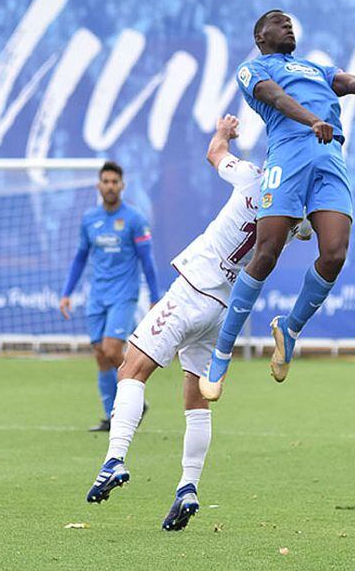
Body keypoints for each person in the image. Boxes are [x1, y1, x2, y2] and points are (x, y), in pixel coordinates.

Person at [86, 116, 310, 530]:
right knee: (196, 397)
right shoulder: (294, 211)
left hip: (193, 288)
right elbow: (310, 232)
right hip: (225, 307)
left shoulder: (252, 178)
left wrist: (225, 132)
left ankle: (114, 459)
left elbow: (214, 154)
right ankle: (187, 487)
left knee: (131, 369)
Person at [200, 9, 355, 401]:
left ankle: (290, 327)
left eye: (290, 21)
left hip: (329, 156)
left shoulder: (313, 68)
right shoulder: (252, 70)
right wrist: (311, 120)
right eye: (277, 21)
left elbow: (350, 82)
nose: (287, 25)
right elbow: (277, 97)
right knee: (266, 251)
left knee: (335, 253)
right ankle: (221, 354)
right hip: (288, 157)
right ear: (261, 36)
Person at [60, 162, 160, 431]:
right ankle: (111, 415)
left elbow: (147, 260)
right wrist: (66, 293)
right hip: (97, 296)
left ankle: (135, 399)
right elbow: (80, 258)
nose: (110, 186)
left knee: (112, 349)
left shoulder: (135, 219)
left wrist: (154, 296)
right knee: (100, 355)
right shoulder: (89, 219)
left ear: (122, 186)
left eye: (115, 182)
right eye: (106, 181)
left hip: (124, 295)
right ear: (99, 185)